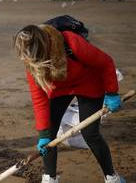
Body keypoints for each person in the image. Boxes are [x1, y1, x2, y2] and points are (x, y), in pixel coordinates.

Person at [13, 24, 125, 183]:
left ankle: (111, 177)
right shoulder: (31, 62)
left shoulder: (71, 43)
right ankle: (49, 178)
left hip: (89, 83)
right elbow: (39, 99)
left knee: (90, 134)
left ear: (41, 48)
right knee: (49, 135)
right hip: (59, 89)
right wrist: (44, 134)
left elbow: (106, 62)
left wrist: (112, 92)